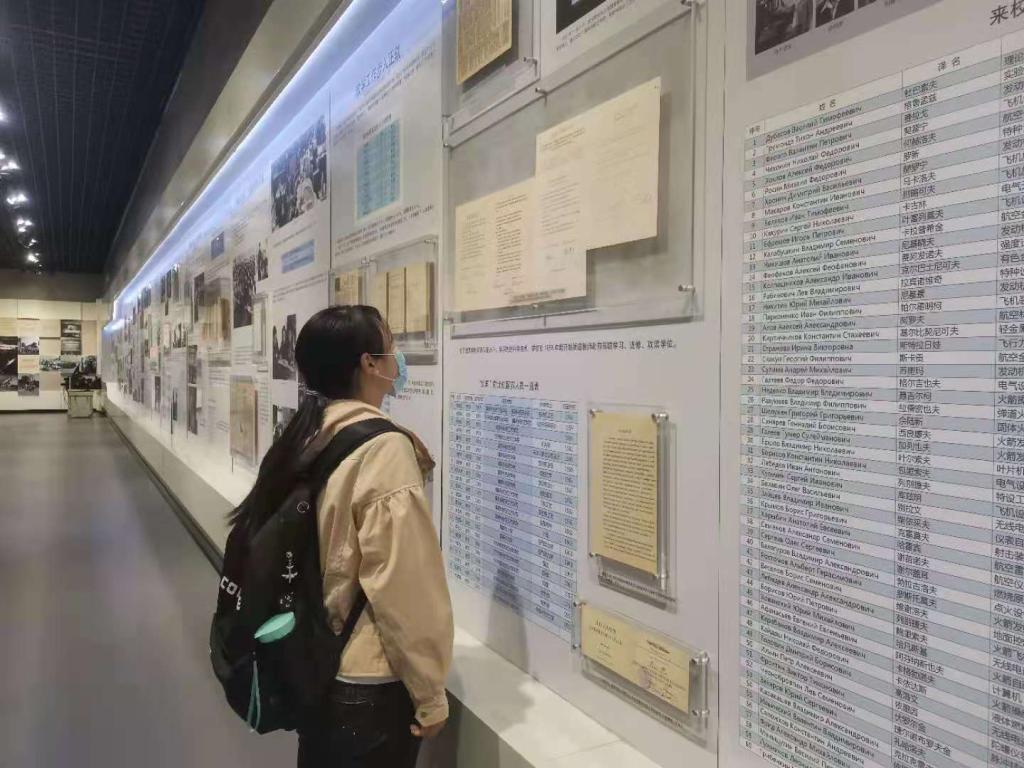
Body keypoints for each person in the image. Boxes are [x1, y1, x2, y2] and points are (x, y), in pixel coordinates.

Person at [233, 305, 453, 768]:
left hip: (316, 664)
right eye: (391, 348)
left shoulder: (308, 432)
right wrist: (430, 693)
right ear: (369, 364)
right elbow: (402, 585)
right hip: (366, 684)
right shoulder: (383, 449)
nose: (398, 359)